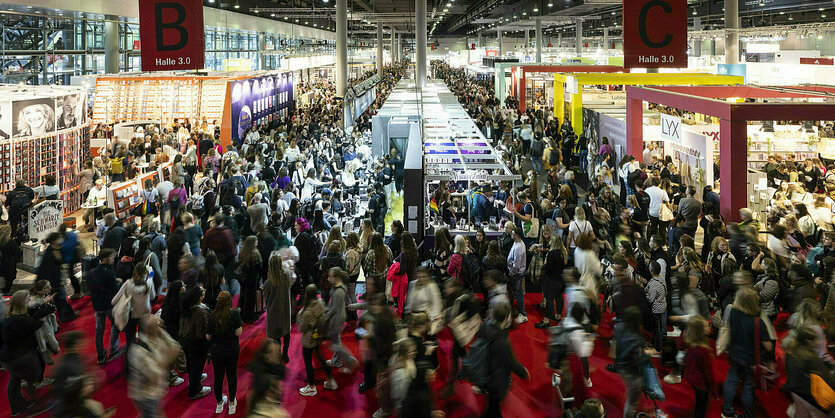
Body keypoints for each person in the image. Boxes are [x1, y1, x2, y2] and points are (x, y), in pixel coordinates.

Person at [0, 290, 55, 416]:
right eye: (27, 299)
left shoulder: (11, 318)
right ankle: (33, 406)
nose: (30, 301)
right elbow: (35, 322)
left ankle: (17, 407)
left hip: (7, 358)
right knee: (32, 376)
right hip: (20, 357)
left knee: (14, 381)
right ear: (21, 302)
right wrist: (45, 308)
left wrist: (43, 305)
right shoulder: (19, 320)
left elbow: (31, 317)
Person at [722, 287, 772, 418]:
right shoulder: (757, 322)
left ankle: (727, 411)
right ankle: (748, 415)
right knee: (748, 386)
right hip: (750, 358)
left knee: (731, 380)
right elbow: (768, 346)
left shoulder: (732, 312)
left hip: (733, 353)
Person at [479, 300, 530, 417]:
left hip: (485, 372)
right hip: (496, 379)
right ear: (507, 318)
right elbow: (510, 361)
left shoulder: (485, 327)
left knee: (492, 405)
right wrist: (523, 373)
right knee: (494, 407)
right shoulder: (503, 341)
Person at [129, 315, 182, 418]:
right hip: (145, 395)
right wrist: (165, 361)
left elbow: (175, 347)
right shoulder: (138, 350)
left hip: (155, 390)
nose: (161, 327)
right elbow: (155, 374)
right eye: (158, 326)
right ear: (150, 329)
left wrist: (162, 331)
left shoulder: (156, 339)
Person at [86, 248, 124, 364]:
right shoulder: (109, 272)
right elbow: (115, 289)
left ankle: (100, 355)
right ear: (107, 258)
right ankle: (114, 349)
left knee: (99, 330)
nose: (113, 259)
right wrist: (118, 283)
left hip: (97, 305)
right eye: (112, 257)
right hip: (109, 305)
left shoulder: (91, 272)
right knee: (115, 326)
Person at [207, 291, 243, 414]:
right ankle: (232, 404)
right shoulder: (234, 314)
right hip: (232, 350)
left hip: (217, 351)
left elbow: (208, 337)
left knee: (218, 377)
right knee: (232, 376)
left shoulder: (212, 316)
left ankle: (219, 404)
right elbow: (238, 332)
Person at [298, 284, 337, 396]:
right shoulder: (320, 302)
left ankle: (311, 387)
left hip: (308, 339)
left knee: (308, 362)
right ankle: (331, 379)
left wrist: (299, 315)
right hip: (318, 336)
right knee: (320, 357)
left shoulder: (307, 312)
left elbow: (301, 328)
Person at [37, 232, 78, 322]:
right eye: (59, 238)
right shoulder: (50, 254)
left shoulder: (56, 249)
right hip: (54, 281)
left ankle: (67, 315)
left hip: (57, 279)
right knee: (61, 298)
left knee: (60, 298)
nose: (61, 239)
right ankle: (65, 316)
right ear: (54, 241)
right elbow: (48, 270)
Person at [180, 285, 212, 399]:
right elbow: (201, 333)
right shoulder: (200, 313)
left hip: (186, 341)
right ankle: (195, 390)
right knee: (197, 366)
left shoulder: (188, 307)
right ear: (200, 297)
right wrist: (207, 348)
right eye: (203, 290)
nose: (205, 290)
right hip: (196, 344)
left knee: (191, 364)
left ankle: (194, 380)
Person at [683, 316, 717, 418]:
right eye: (706, 326)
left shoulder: (690, 342)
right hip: (701, 383)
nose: (709, 327)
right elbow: (708, 373)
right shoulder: (703, 351)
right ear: (700, 331)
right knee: (701, 407)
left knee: (699, 402)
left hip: (691, 378)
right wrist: (714, 392)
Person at [325, 267, 359, 371]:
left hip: (336, 318)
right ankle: (337, 361)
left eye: (331, 276)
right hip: (339, 316)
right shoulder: (339, 287)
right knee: (336, 341)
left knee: (335, 344)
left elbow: (334, 309)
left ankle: (348, 358)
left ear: (336, 277)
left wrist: (325, 316)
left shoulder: (338, 291)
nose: (328, 278)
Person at [263, 253, 293, 364]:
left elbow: (265, 298)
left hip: (273, 310)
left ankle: (278, 354)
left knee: (276, 335)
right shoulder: (286, 275)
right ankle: (285, 353)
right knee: (286, 331)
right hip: (285, 308)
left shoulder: (268, 282)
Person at [236, 236, 263, 323]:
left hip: (243, 278)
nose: (257, 242)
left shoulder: (243, 251)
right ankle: (249, 317)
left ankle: (241, 314)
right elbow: (259, 267)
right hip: (252, 279)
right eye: (256, 241)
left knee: (243, 295)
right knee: (250, 298)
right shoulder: (255, 253)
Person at [507, 227, 528, 324]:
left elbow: (516, 265)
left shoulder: (519, 248)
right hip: (516, 273)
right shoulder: (517, 243)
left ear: (517, 235)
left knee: (518, 294)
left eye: (513, 233)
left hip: (516, 274)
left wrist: (511, 273)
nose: (511, 234)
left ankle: (523, 314)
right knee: (518, 293)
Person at [0, 224, 22, 295]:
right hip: (9, 266)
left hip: (1, 266)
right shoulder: (10, 242)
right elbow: (19, 252)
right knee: (8, 283)